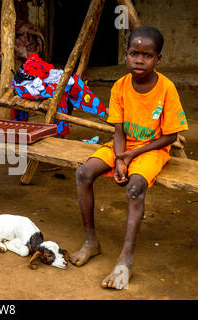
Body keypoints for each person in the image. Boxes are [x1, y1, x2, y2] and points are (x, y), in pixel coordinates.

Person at [70, 26, 188, 290]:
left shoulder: (167, 89)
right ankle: (91, 241)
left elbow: (170, 137)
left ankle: (125, 258)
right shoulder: (120, 86)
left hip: (153, 149)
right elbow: (119, 129)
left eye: (147, 55)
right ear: (126, 54)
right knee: (83, 173)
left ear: (158, 59)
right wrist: (120, 159)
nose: (139, 59)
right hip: (123, 145)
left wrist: (132, 155)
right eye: (134, 53)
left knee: (135, 188)